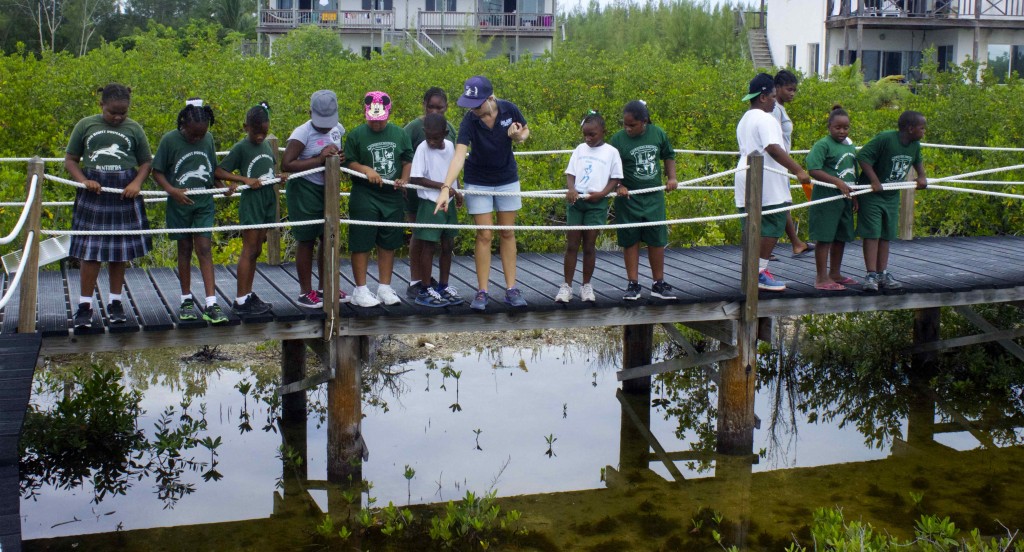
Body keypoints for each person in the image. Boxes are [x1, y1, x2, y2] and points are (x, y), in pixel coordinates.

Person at [433, 75, 529, 311]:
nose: (473, 109)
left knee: (507, 233)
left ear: (490, 98)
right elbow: (458, 155)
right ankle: (482, 290)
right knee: (484, 235)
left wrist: (519, 136)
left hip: (507, 178)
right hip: (478, 180)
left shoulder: (509, 109)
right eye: (469, 104)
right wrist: (446, 187)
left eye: (476, 104)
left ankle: (511, 288)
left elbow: (525, 131)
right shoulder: (469, 121)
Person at [65, 83, 153, 329]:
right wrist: (84, 181)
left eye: (122, 113)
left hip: (124, 192)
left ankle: (115, 302)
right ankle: (84, 305)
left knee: (119, 252)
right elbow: (70, 160)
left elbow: (146, 162)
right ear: (101, 105)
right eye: (112, 112)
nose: (117, 117)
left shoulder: (134, 128)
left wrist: (137, 182)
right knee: (90, 253)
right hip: (94, 192)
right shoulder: (85, 125)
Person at [152, 98, 235, 323]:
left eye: (201, 134)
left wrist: (221, 188)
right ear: (183, 126)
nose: (198, 138)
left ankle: (211, 303)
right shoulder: (170, 140)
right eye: (193, 135)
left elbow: (211, 170)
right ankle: (186, 300)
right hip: (179, 204)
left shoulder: (207, 139)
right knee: (185, 249)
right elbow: (157, 171)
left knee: (205, 248)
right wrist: (172, 190)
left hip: (204, 203)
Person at [734, 73, 812, 292]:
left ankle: (754, 270)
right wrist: (798, 170)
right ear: (763, 97)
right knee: (773, 222)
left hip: (745, 172)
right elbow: (773, 148)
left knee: (752, 224)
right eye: (773, 97)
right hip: (764, 178)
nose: (775, 101)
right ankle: (758, 272)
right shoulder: (765, 118)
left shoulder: (746, 118)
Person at [343, 90, 414, 307]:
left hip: (391, 195)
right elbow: (348, 162)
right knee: (361, 241)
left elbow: (407, 159)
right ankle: (360, 290)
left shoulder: (399, 134)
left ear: (388, 114)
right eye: (373, 119)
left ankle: (385, 286)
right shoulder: (356, 135)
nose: (377, 124)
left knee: (389, 241)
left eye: (381, 119)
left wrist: (404, 179)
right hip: (365, 194)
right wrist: (365, 169)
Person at [215, 101, 286, 316]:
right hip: (252, 201)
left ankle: (247, 295)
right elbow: (219, 171)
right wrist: (244, 179)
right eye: (256, 132)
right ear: (246, 127)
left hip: (267, 199)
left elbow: (268, 170)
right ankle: (240, 299)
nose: (260, 137)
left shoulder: (266, 145)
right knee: (249, 248)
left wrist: (278, 177)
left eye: (264, 132)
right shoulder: (241, 147)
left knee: (257, 249)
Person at [282, 90, 347, 308]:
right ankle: (305, 291)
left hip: (327, 189)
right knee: (306, 239)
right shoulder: (302, 133)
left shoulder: (337, 130)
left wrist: (340, 158)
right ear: (310, 113)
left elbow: (338, 153)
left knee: (327, 237)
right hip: (304, 190)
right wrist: (319, 159)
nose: (325, 127)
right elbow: (287, 164)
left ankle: (325, 287)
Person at [609, 100, 678, 301]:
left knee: (656, 240)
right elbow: (612, 166)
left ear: (644, 122)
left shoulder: (657, 133)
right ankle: (633, 283)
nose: (627, 128)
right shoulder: (618, 140)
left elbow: (668, 155)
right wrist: (618, 186)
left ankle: (658, 282)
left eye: (632, 125)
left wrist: (671, 177)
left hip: (654, 197)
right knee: (630, 240)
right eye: (625, 124)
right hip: (628, 198)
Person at [856, 110, 928, 292]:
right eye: (922, 128)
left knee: (887, 234)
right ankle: (871, 274)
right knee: (872, 233)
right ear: (910, 129)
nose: (924, 131)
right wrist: (874, 180)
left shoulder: (915, 144)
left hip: (891, 195)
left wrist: (922, 176)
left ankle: (882, 273)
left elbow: (917, 161)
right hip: (872, 194)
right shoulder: (886, 138)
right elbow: (863, 157)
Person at [555, 110, 622, 303]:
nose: (588, 138)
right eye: (585, 134)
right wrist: (571, 189)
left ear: (603, 131)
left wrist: (602, 193)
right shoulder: (579, 149)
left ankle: (586, 285)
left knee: (590, 246)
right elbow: (571, 173)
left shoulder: (611, 152)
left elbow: (615, 177)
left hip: (597, 204)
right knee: (572, 244)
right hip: (577, 202)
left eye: (592, 134)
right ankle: (566, 286)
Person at [404, 87, 458, 300]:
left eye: (440, 107)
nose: (435, 111)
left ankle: (440, 285)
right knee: (421, 238)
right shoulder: (413, 129)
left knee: (445, 242)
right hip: (420, 195)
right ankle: (418, 282)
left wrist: (456, 191)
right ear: (424, 105)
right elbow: (406, 158)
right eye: (431, 106)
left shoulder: (450, 132)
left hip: (447, 198)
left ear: (446, 107)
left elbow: (454, 166)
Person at [806, 105, 858, 291]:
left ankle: (835, 272)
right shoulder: (823, 144)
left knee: (840, 236)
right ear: (829, 126)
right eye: (838, 128)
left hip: (845, 198)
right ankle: (821, 277)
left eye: (846, 127)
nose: (842, 131)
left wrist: (854, 195)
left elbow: (852, 171)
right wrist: (837, 182)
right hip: (827, 197)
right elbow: (813, 169)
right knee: (825, 237)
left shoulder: (850, 146)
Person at [772, 69, 814, 258]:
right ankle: (766, 248)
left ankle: (795, 243)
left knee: (783, 203)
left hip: (781, 164)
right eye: (789, 89)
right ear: (777, 87)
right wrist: (795, 168)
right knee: (776, 204)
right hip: (774, 164)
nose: (792, 93)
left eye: (794, 90)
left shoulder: (780, 108)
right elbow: (772, 142)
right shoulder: (773, 109)